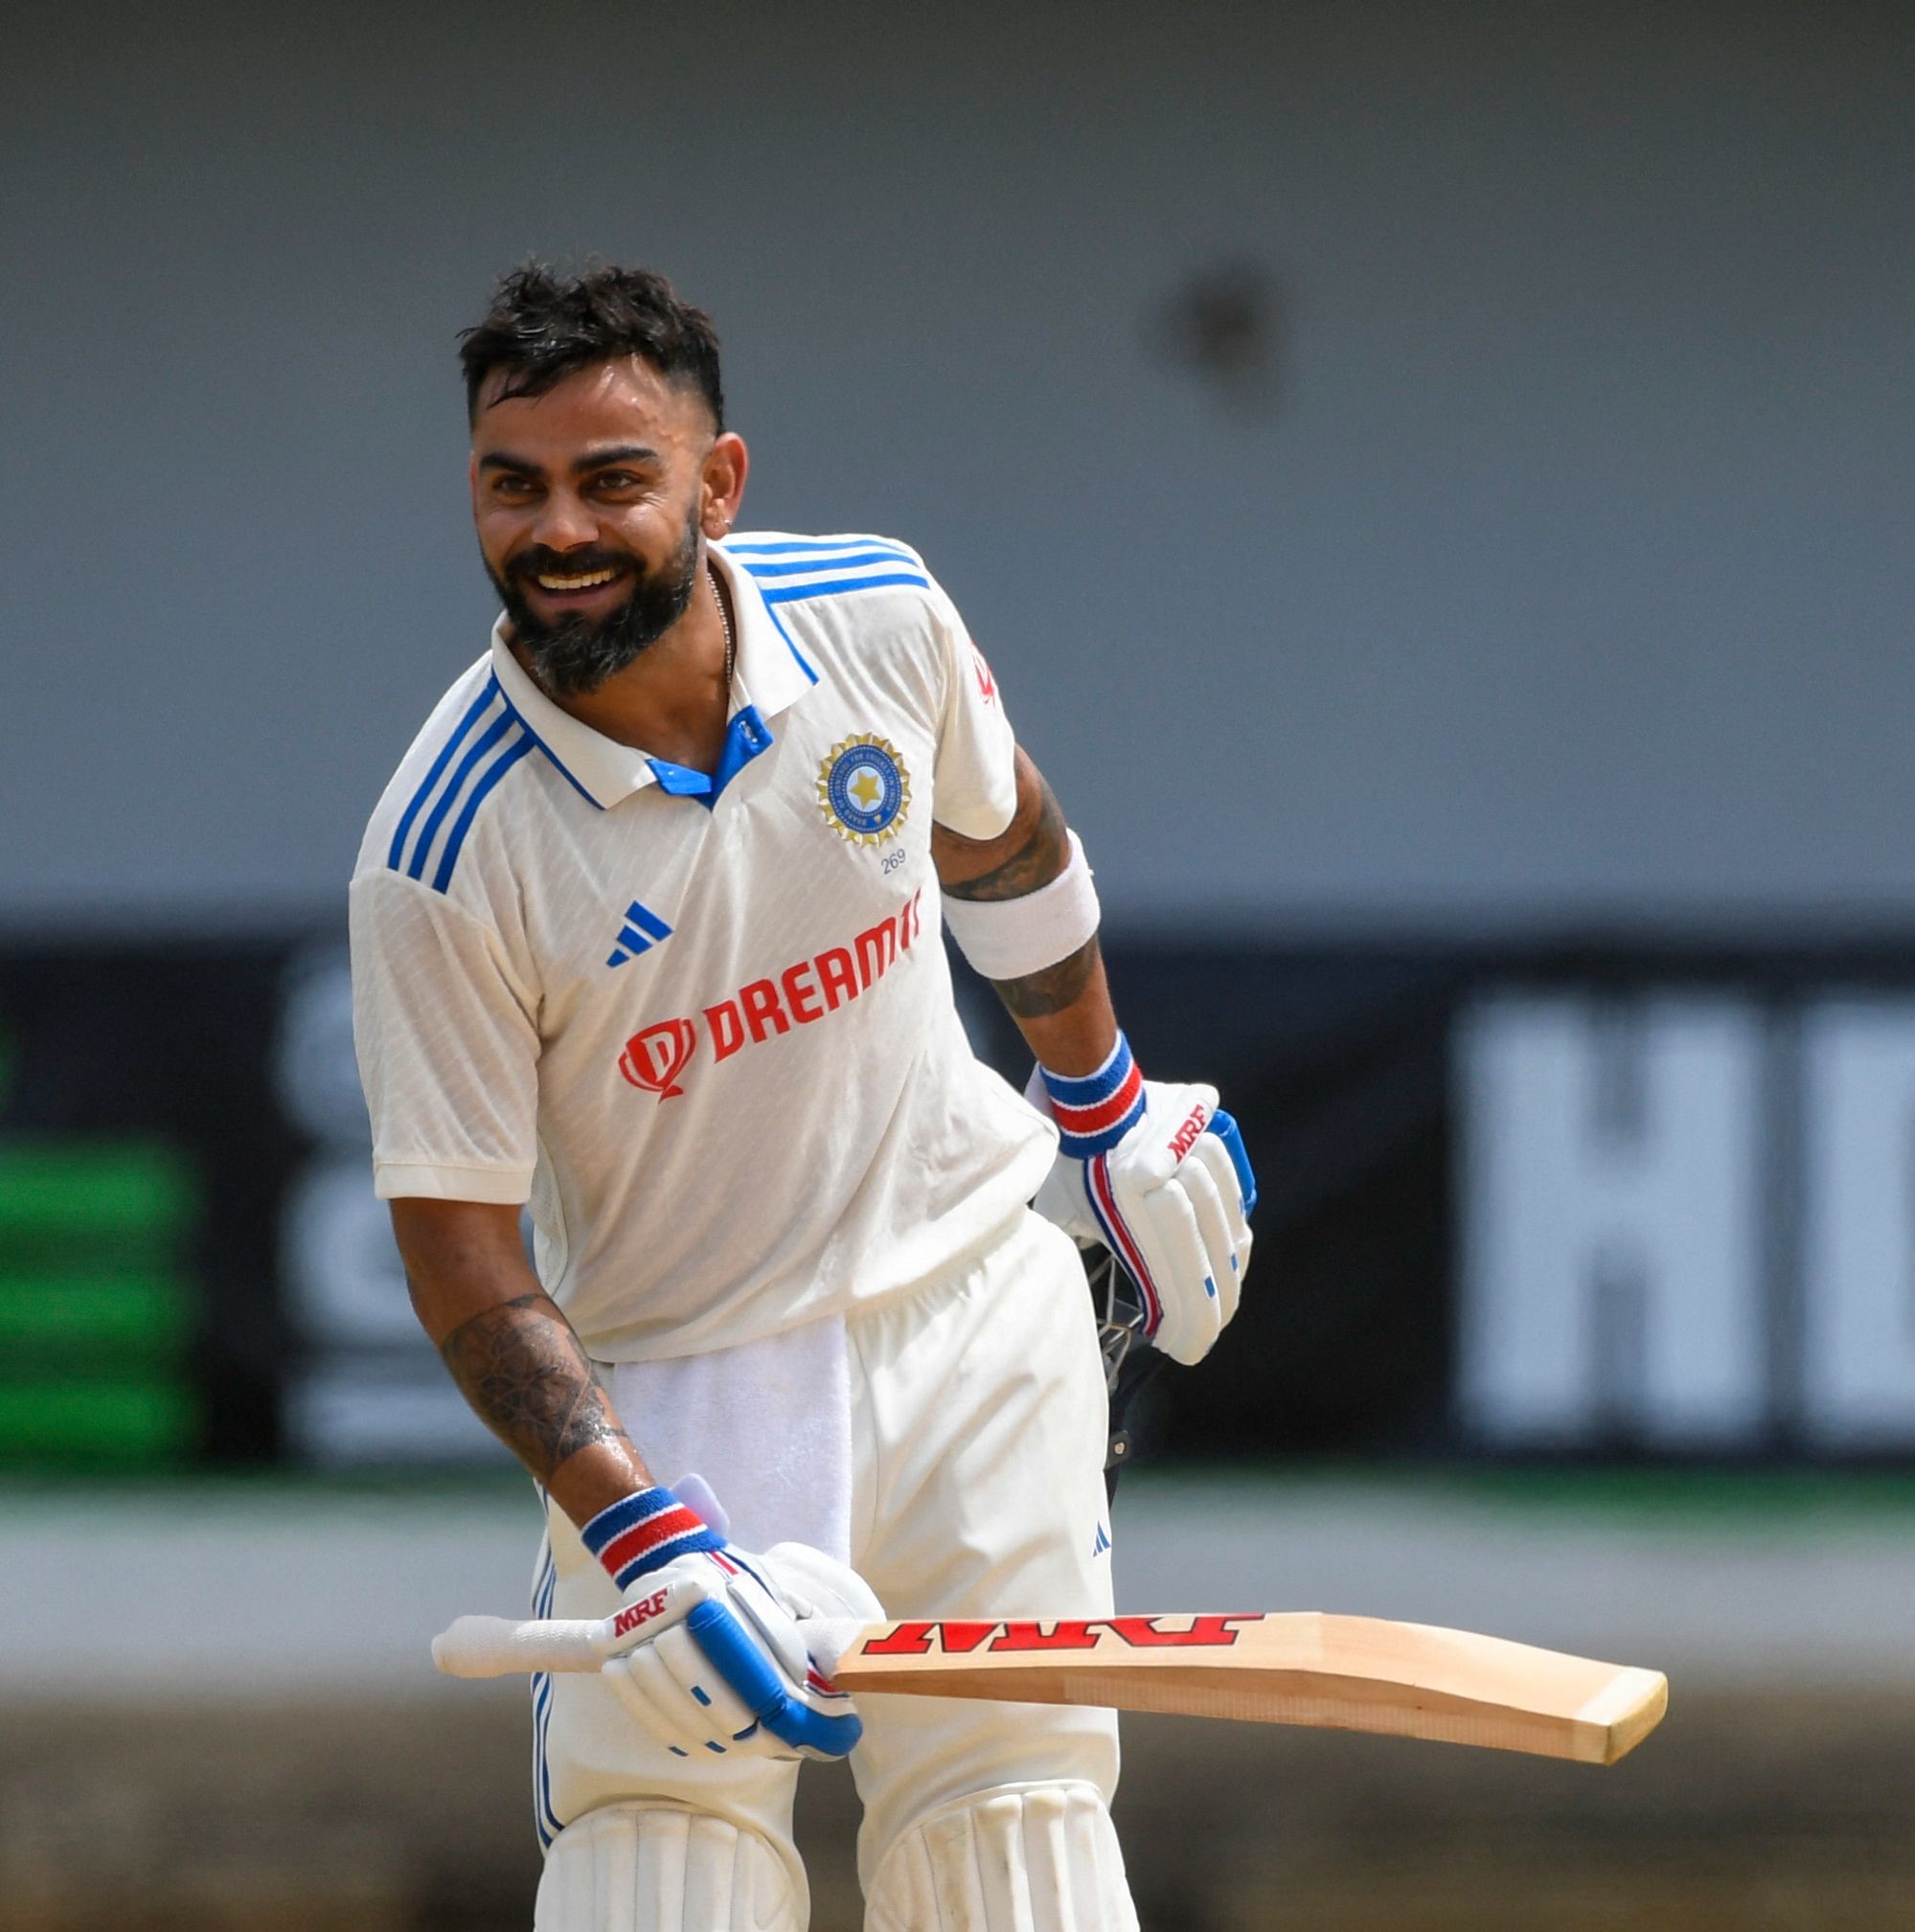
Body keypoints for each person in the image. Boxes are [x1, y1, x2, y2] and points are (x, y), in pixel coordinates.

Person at [350, 262, 1255, 1932]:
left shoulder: (876, 615)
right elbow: (463, 1256)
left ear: (719, 482)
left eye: (612, 479)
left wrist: (1105, 1103)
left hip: (978, 1307)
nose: (558, 529)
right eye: (512, 484)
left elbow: (1003, 834)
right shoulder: (444, 847)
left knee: (1017, 1837)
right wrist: (646, 1539)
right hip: (687, 1381)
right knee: (661, 1865)